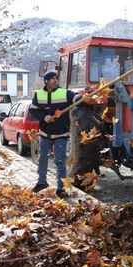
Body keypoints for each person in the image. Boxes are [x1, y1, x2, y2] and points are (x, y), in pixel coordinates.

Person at [29, 71, 82, 199]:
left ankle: (61, 188)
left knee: (59, 161)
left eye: (56, 78)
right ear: (46, 81)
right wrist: (44, 117)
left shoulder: (64, 92)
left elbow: (74, 98)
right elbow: (33, 110)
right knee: (42, 159)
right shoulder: (39, 94)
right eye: (52, 79)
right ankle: (42, 182)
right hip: (44, 134)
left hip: (60, 134)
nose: (55, 80)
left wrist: (82, 98)